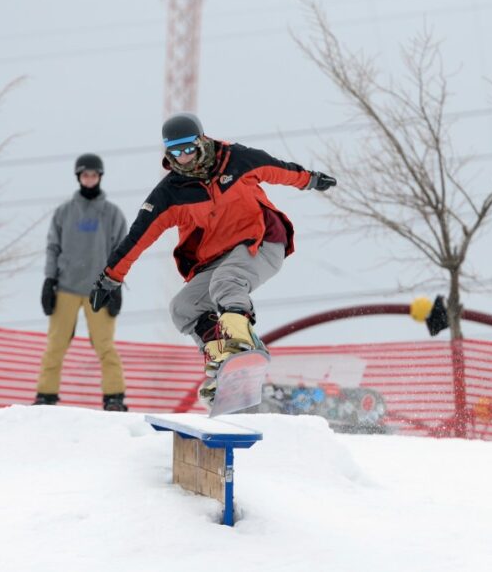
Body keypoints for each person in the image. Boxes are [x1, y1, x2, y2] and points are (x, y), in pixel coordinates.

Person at [90, 112, 336, 405]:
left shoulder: (236, 159)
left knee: (226, 282)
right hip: (218, 259)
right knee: (183, 307)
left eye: (189, 148)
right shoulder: (170, 193)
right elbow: (138, 237)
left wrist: (311, 180)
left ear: (201, 141)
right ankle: (224, 363)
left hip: (262, 241)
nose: (184, 158)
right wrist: (111, 277)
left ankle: (240, 344)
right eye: (176, 152)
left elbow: (279, 170)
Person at [35, 153, 130, 411]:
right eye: (85, 174)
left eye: (94, 174)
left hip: (99, 289)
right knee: (55, 345)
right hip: (65, 288)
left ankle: (114, 397)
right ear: (79, 177)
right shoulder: (64, 212)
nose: (89, 179)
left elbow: (121, 251)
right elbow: (53, 247)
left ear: (100, 177)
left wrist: (116, 285)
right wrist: (49, 280)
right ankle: (46, 395)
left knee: (105, 346)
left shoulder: (112, 214)